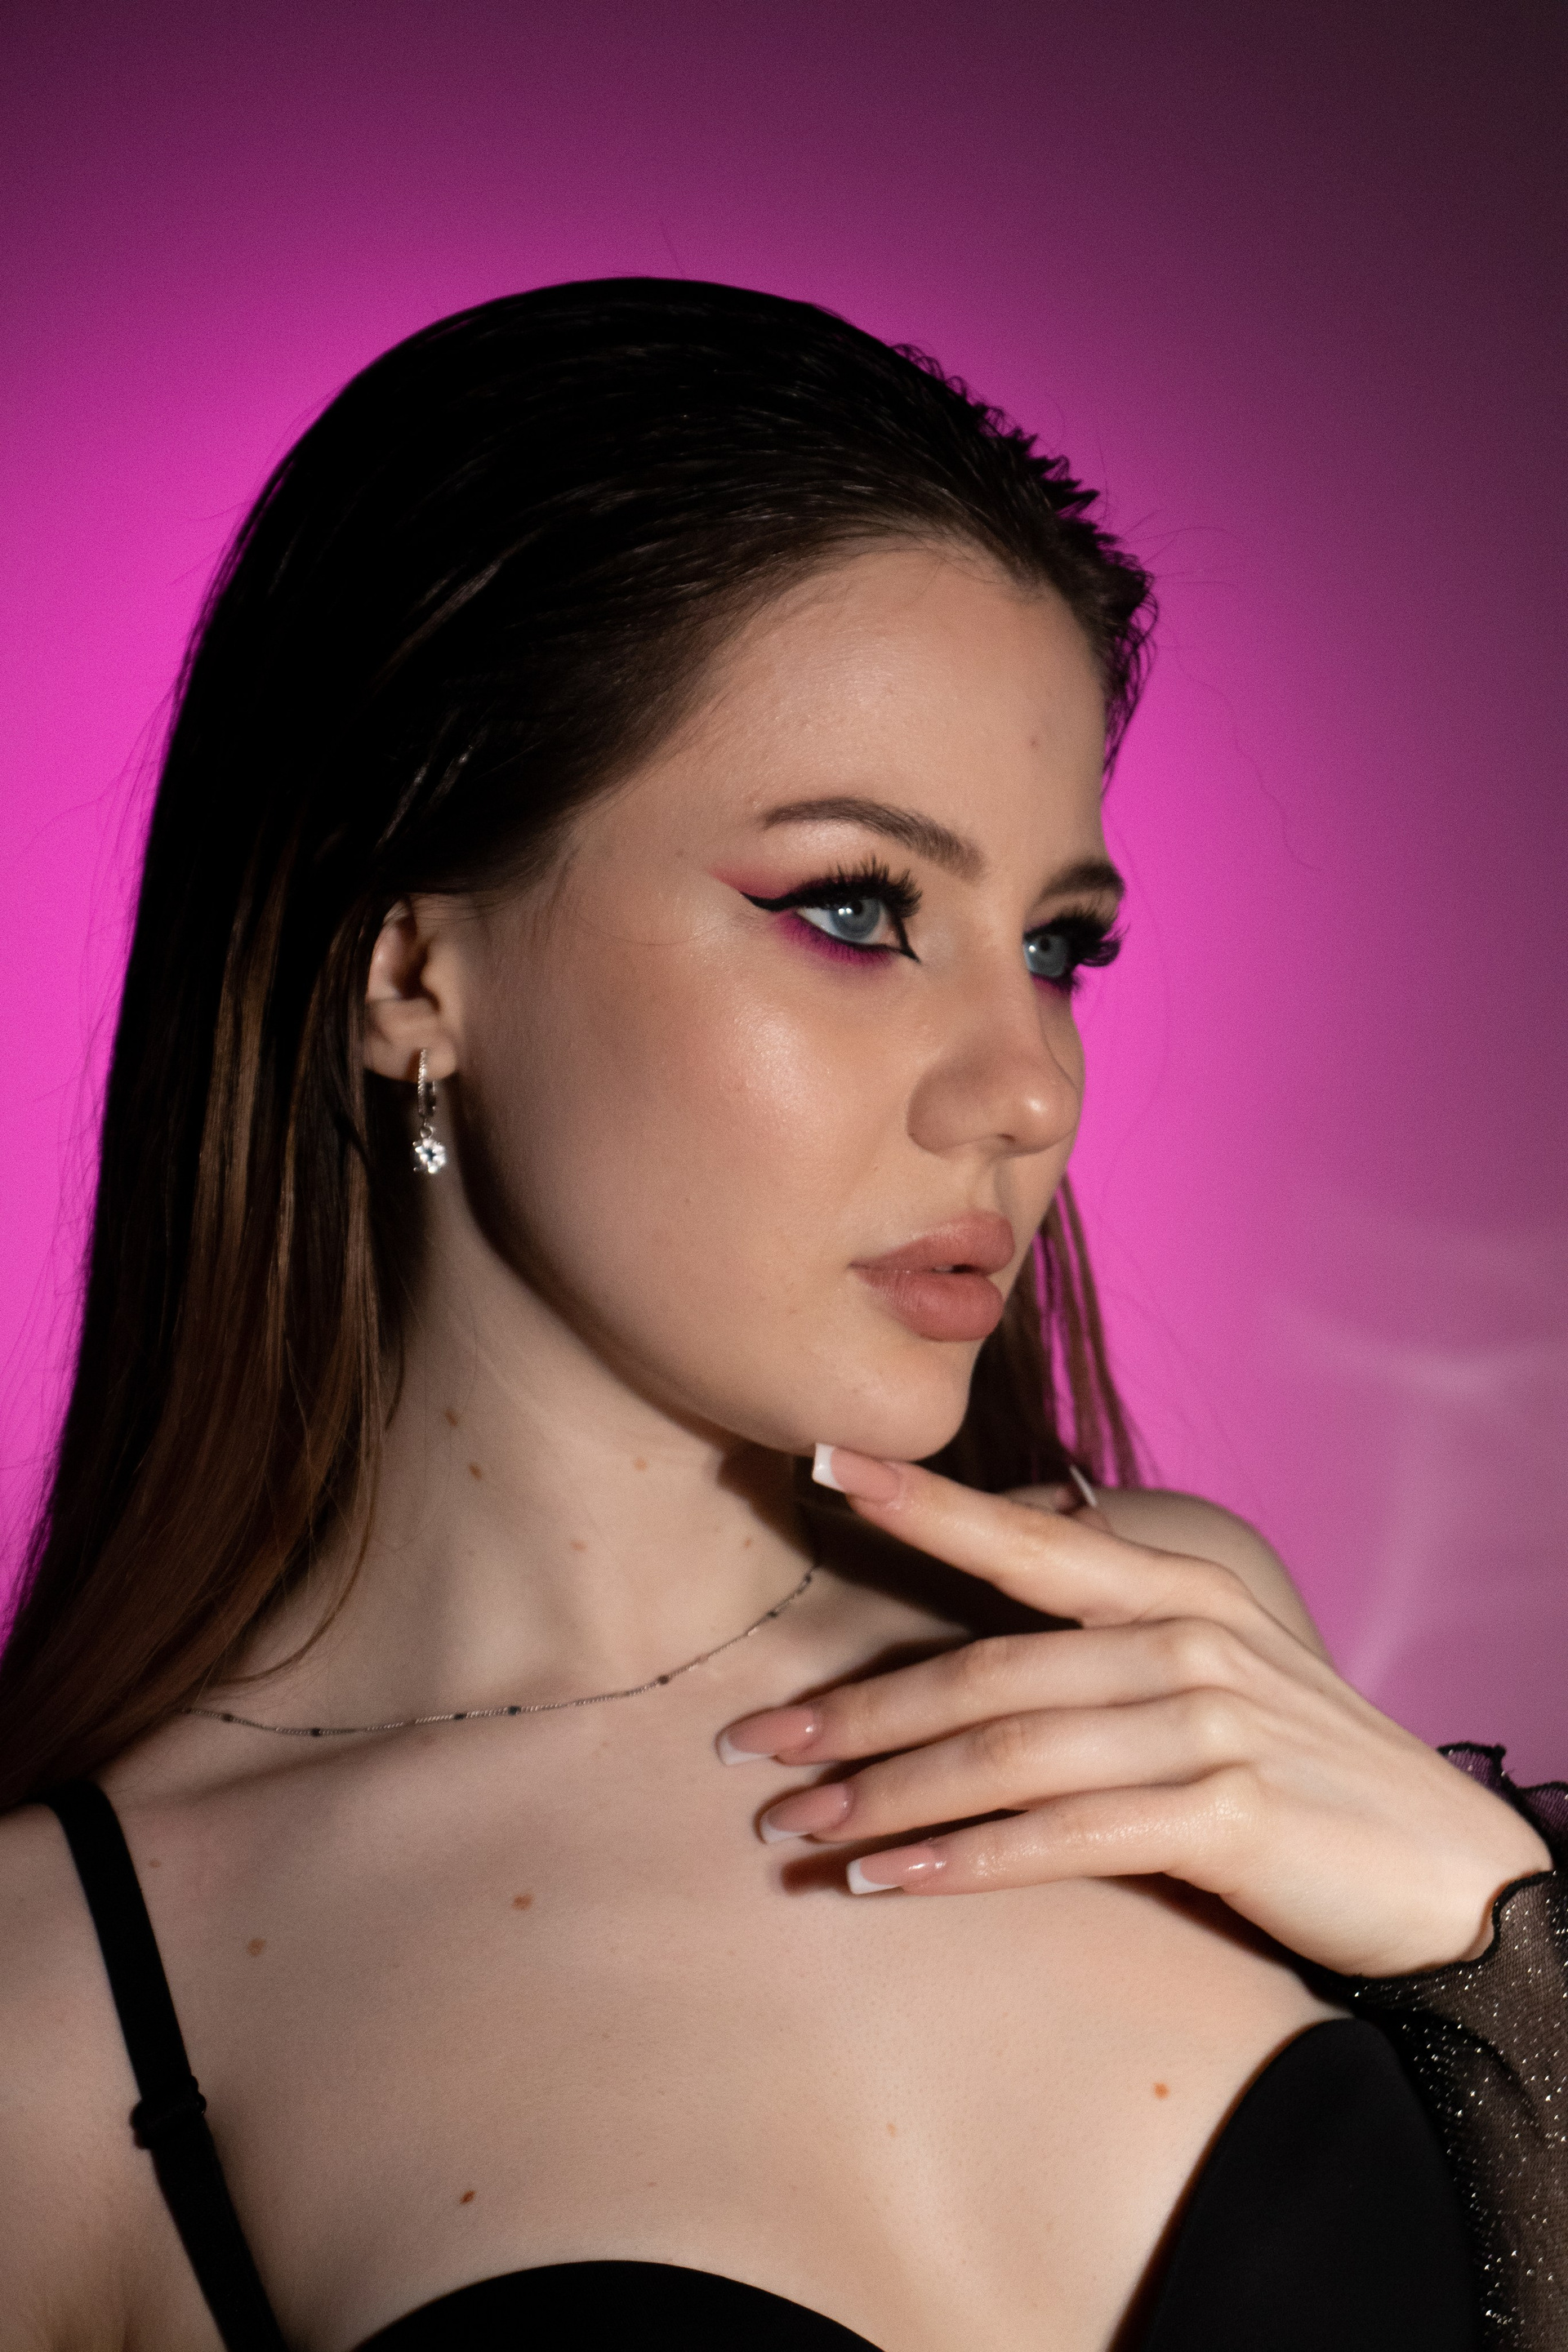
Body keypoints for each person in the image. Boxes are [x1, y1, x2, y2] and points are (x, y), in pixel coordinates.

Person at [0, 280, 1561, 2352]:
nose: (1027, 1087)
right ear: (408, 975)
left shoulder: (1164, 1653)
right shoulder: (59, 2012)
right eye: (852, 908)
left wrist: (1494, 1946)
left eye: (1057, 945)